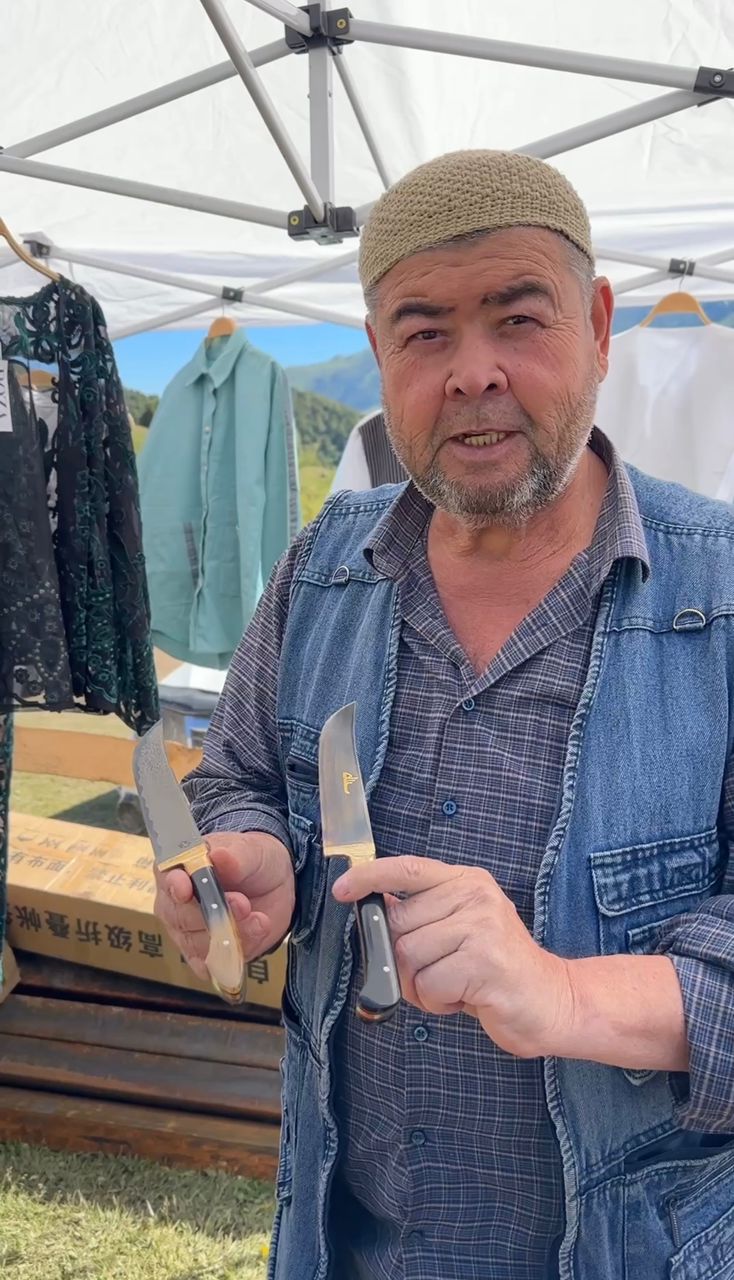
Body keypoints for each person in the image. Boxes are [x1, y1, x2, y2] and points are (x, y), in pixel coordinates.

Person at [153, 150, 734, 1280]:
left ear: (597, 326)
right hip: (343, 1243)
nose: (472, 373)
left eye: (518, 319)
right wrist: (252, 852)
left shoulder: (717, 595)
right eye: (423, 333)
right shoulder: (324, 564)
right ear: (379, 355)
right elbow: (236, 776)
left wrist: (562, 990)